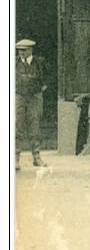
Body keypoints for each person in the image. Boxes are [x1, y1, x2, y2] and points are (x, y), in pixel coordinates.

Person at [15, 39, 47, 170]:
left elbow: (46, 78)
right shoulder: (14, 63)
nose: (21, 53)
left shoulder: (40, 62)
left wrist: (41, 88)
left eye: (24, 50)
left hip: (34, 97)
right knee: (17, 126)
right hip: (19, 97)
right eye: (19, 50)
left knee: (35, 127)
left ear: (30, 50)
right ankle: (15, 158)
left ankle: (36, 157)